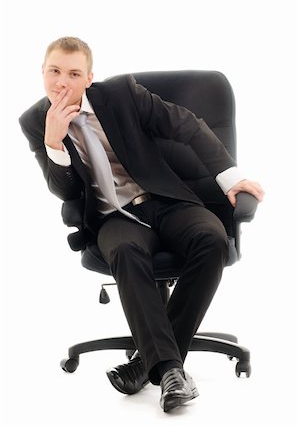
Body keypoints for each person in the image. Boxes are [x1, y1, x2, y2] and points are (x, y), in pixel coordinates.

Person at [19, 37, 264, 413]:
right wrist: (54, 144)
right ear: (42, 71)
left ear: (89, 78)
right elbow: (65, 191)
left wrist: (229, 177)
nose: (61, 83)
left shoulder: (120, 94)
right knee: (127, 251)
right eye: (54, 71)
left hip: (165, 199)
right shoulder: (36, 122)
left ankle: (143, 366)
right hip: (113, 217)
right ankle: (168, 371)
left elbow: (187, 125)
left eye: (73, 73)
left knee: (212, 239)